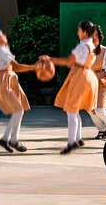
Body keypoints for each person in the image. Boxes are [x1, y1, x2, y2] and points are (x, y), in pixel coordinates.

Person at [42, 21, 98, 154]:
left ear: (84, 32)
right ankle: (78, 139)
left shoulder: (82, 46)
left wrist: (50, 59)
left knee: (71, 111)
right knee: (75, 110)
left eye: (79, 30)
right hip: (89, 76)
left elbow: (68, 61)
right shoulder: (92, 45)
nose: (78, 33)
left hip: (80, 76)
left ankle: (71, 142)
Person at [0, 30, 37, 153]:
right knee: (19, 110)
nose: (5, 35)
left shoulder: (2, 49)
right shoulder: (2, 51)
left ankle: (6, 139)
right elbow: (17, 67)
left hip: (6, 80)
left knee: (18, 111)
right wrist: (35, 67)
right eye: (1, 35)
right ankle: (13, 140)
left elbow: (12, 67)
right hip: (5, 82)